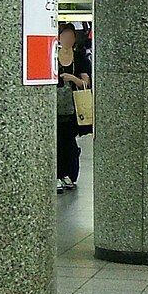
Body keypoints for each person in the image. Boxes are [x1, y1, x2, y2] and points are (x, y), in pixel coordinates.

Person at [56, 23, 91, 193]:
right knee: (56, 141)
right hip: (54, 108)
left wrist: (72, 78)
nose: (67, 39)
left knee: (68, 141)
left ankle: (68, 174)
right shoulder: (51, 57)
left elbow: (86, 83)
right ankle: (56, 175)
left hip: (73, 108)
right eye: (64, 36)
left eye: (70, 36)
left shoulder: (80, 58)